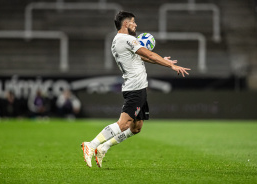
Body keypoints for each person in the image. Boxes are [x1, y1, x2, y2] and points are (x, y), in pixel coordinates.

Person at [81, 11, 190, 168]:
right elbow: (150, 55)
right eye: (133, 22)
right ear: (125, 24)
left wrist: (162, 60)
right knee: (123, 124)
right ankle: (91, 145)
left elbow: (143, 57)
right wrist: (171, 65)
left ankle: (103, 147)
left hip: (139, 88)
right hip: (135, 88)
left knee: (136, 127)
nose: (135, 24)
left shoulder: (118, 40)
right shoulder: (127, 39)